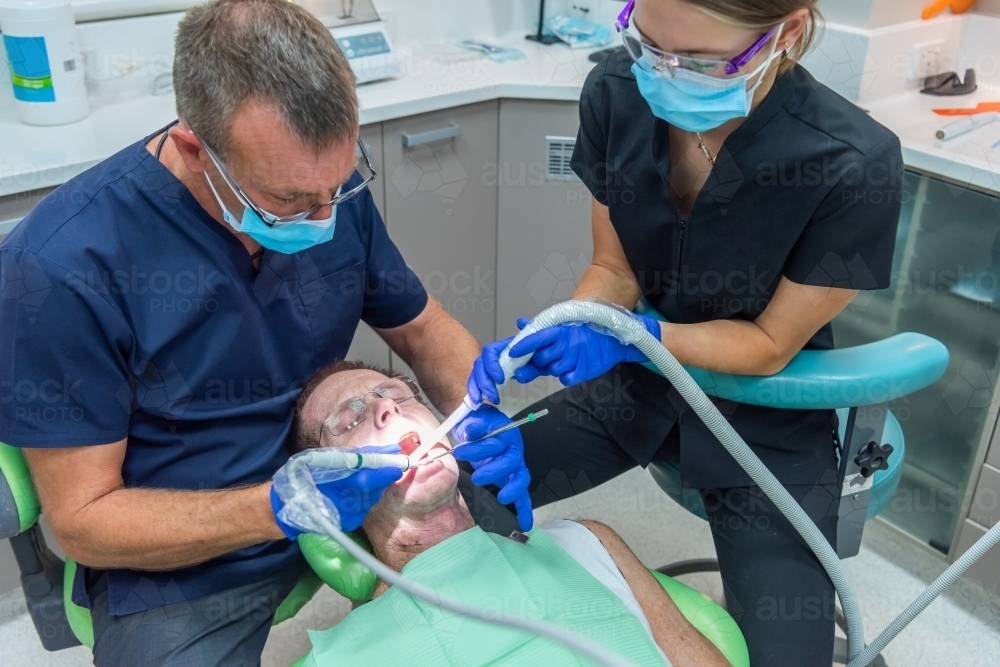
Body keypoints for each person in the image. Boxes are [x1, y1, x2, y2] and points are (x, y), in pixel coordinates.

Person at [0, 1, 529, 664]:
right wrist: (277, 507)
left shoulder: (322, 185)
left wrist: (481, 418)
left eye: (339, 184)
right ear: (196, 149)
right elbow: (83, 521)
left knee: (532, 596)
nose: (325, 213)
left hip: (363, 479)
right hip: (192, 549)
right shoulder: (61, 265)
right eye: (291, 202)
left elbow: (422, 327)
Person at [468, 1, 904, 665]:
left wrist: (630, 335)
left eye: (699, 63)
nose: (664, 77)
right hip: (637, 388)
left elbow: (769, 345)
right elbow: (612, 269)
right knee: (466, 478)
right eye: (648, 46)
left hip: (765, 416)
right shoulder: (616, 91)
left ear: (783, 34)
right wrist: (580, 322)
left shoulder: (853, 163)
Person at [286, 361, 732, 667]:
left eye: (400, 396)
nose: (387, 407)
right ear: (330, 493)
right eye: (350, 420)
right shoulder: (339, 658)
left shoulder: (587, 543)